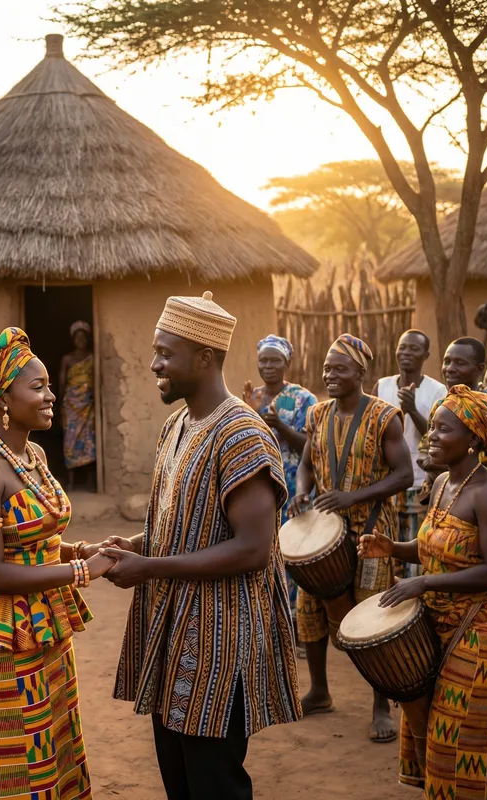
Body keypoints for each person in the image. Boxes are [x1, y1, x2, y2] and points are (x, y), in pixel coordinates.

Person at [98, 291, 301, 800]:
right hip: (172, 631)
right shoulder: (178, 425)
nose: (153, 363)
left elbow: (253, 549)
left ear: (205, 357)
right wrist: (137, 545)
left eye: (165, 353)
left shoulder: (241, 435)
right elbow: (185, 524)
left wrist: (149, 567)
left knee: (214, 783)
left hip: (219, 641)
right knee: (179, 778)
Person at [0, 327, 114, 800]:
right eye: (39, 387)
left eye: (49, 384)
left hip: (43, 623)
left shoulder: (32, 453)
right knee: (11, 760)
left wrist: (75, 551)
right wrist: (81, 573)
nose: (52, 395)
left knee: (53, 743)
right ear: (2, 399)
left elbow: (33, 539)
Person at [359, 385, 487, 793]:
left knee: (461, 745)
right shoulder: (440, 485)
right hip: (437, 628)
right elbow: (435, 547)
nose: (431, 436)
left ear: (473, 439)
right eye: (432, 427)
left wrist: (425, 582)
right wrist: (394, 548)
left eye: (444, 429)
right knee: (433, 738)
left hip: (481, 635)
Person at [287, 333, 414, 743]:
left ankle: (380, 705)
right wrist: (303, 491)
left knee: (373, 616)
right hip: (323, 529)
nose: (330, 375)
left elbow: (404, 475)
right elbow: (307, 463)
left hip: (372, 528)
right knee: (309, 608)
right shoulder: (319, 414)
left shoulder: (384, 416)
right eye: (326, 368)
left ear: (361, 372)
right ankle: (320, 690)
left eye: (339, 368)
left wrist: (353, 496)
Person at [243, 334, 317, 643]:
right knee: (263, 554)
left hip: (295, 490)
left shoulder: (303, 399)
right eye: (263, 360)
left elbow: (311, 447)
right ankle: (267, 626)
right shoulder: (253, 397)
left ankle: (298, 630)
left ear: (287, 363)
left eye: (275, 360)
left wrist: (280, 426)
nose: (268, 366)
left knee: (294, 557)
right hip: (261, 491)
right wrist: (249, 411)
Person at [372, 331, 447, 577]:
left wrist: (412, 410)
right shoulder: (382, 386)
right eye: (402, 347)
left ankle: (414, 608)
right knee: (386, 549)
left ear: (426, 355)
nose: (406, 353)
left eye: (414, 349)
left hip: (419, 483)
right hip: (386, 483)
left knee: (416, 551)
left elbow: (441, 434)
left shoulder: (437, 391)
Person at [417, 337, 487, 498]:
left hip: (480, 498)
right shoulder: (441, 406)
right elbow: (425, 452)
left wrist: (442, 462)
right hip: (440, 494)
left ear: (480, 369)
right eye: (446, 361)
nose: (449, 368)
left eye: (459, 363)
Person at [59, 320, 97, 491]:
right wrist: (59, 405)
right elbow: (61, 383)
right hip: (71, 406)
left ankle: (91, 482)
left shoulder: (92, 358)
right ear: (73, 339)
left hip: (87, 405)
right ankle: (71, 483)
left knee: (89, 440)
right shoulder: (67, 359)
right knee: (70, 441)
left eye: (83, 337)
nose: (80, 340)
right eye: (77, 337)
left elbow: (95, 381)